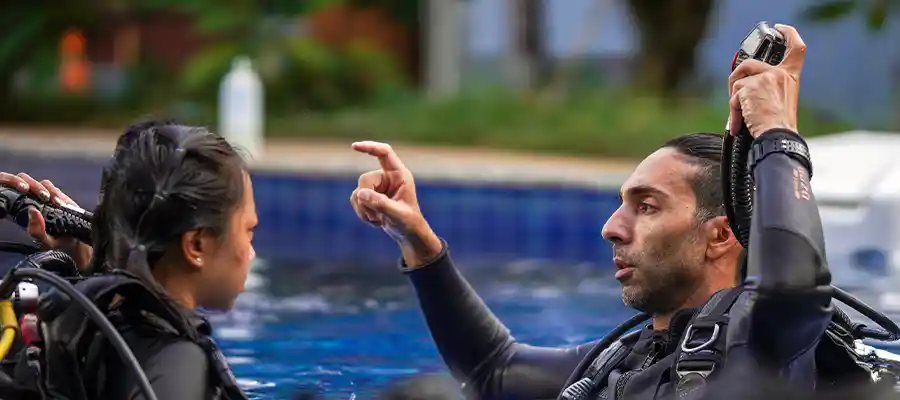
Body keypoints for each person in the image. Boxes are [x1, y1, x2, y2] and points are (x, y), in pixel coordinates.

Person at [349, 24, 863, 399]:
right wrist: (418, 242)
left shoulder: (767, 346)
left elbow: (791, 287)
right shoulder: (625, 357)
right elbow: (493, 371)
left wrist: (777, 132)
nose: (611, 228)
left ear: (721, 235)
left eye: (646, 206)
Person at [0, 120, 256, 399]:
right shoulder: (177, 364)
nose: (250, 251)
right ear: (196, 245)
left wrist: (94, 268)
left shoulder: (69, 323)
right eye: (248, 231)